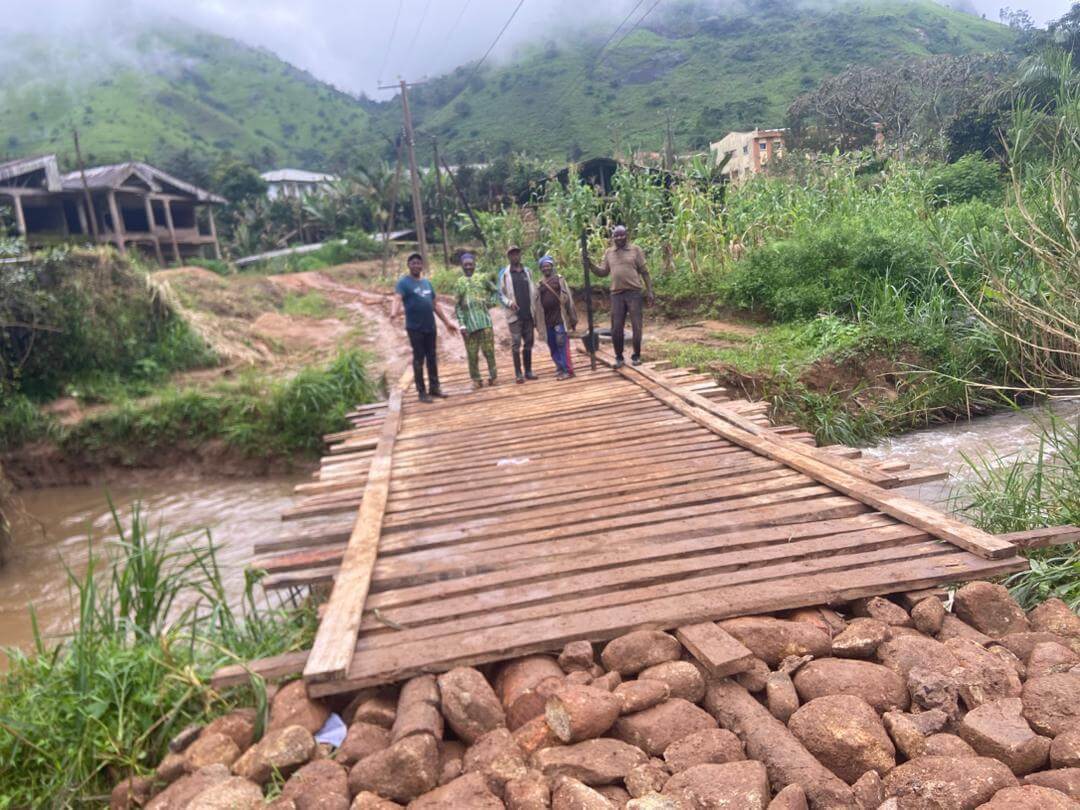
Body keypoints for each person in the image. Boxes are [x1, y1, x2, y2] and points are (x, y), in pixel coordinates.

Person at [391, 252, 458, 403]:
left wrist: (447, 323)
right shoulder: (403, 283)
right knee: (418, 359)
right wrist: (394, 312)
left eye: (419, 263)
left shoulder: (427, 283)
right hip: (415, 328)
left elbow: (435, 305)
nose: (416, 265)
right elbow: (397, 298)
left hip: (430, 327)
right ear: (409, 265)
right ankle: (421, 392)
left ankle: (435, 388)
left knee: (432, 357)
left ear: (422, 266)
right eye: (413, 263)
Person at [590, 224, 654, 368]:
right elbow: (603, 272)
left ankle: (636, 355)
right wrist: (591, 265)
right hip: (616, 295)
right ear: (613, 238)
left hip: (634, 293)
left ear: (627, 235)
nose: (619, 238)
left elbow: (645, 272)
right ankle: (619, 357)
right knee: (616, 328)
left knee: (637, 326)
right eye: (616, 236)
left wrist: (649, 290)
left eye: (622, 235)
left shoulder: (635, 250)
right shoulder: (609, 253)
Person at [452, 252, 498, 389]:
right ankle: (476, 380)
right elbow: (458, 306)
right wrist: (462, 325)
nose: (468, 267)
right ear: (461, 266)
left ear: (474, 265)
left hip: (485, 323)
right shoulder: (459, 283)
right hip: (469, 326)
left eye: (470, 264)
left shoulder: (482, 278)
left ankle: (493, 377)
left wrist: (490, 303)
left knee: (489, 351)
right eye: (465, 265)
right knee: (472, 354)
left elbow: (495, 291)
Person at [497, 245, 539, 383]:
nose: (515, 256)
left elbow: (533, 290)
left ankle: (528, 371)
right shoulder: (504, 273)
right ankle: (518, 373)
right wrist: (509, 303)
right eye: (512, 254)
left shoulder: (527, 271)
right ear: (508, 257)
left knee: (529, 343)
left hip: (528, 314)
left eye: (517, 253)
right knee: (516, 344)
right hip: (514, 316)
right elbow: (500, 294)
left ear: (520, 255)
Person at [535, 255, 578, 380]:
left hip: (559, 319)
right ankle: (560, 367)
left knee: (562, 344)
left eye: (548, 265)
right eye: (543, 266)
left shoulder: (559, 280)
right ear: (541, 269)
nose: (546, 268)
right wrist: (537, 323)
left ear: (552, 267)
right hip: (547, 321)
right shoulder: (539, 284)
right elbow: (536, 305)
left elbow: (569, 300)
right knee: (552, 345)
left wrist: (573, 319)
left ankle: (567, 371)